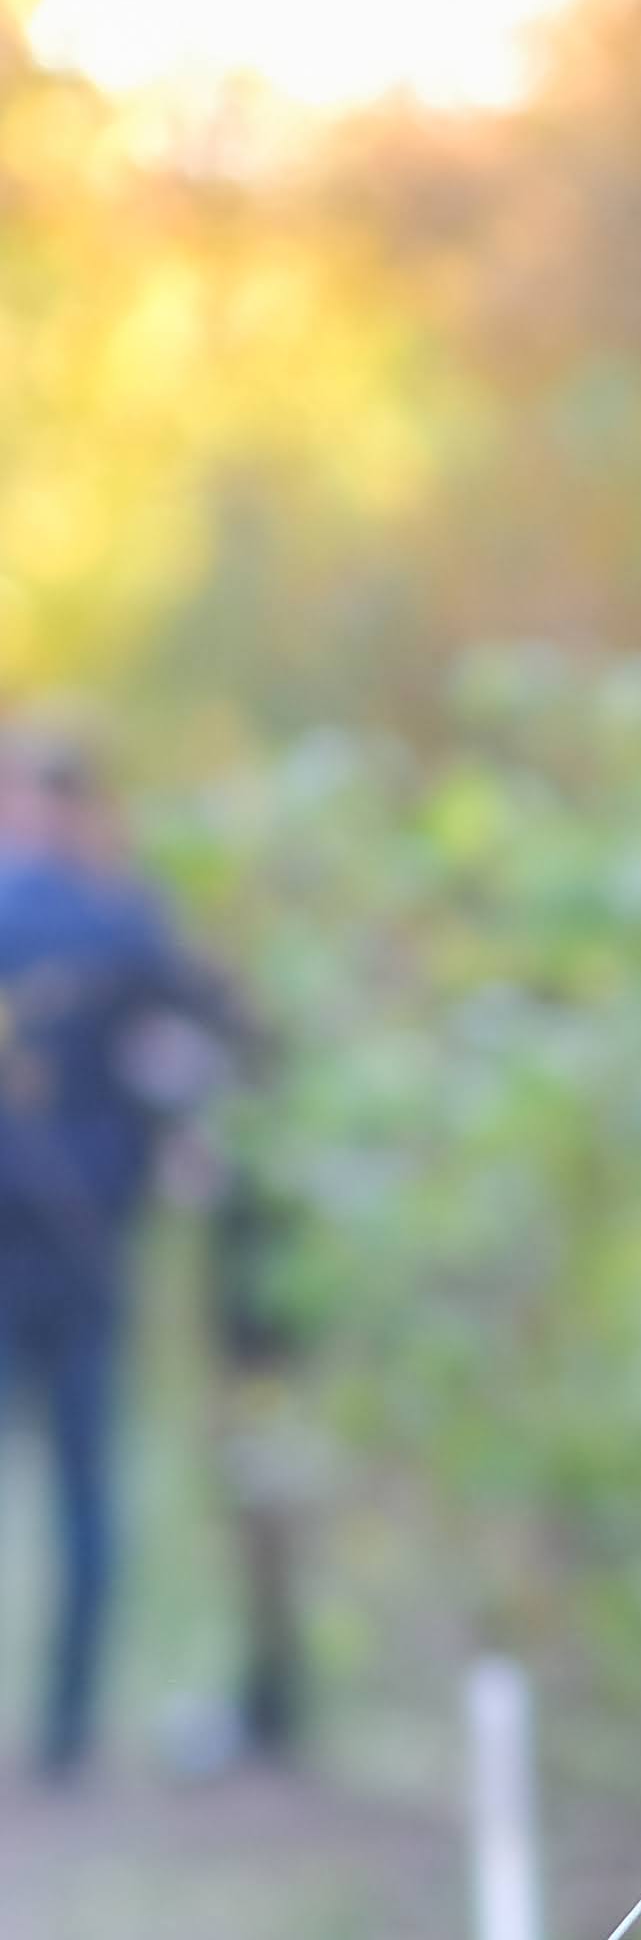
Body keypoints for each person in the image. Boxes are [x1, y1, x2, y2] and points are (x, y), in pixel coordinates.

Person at [0, 735, 228, 1783]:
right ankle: (67, 1729)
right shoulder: (130, 921)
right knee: (87, 1484)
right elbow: (193, 1058)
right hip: (92, 1249)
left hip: (40, 1248)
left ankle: (64, 1729)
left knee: (81, 1484)